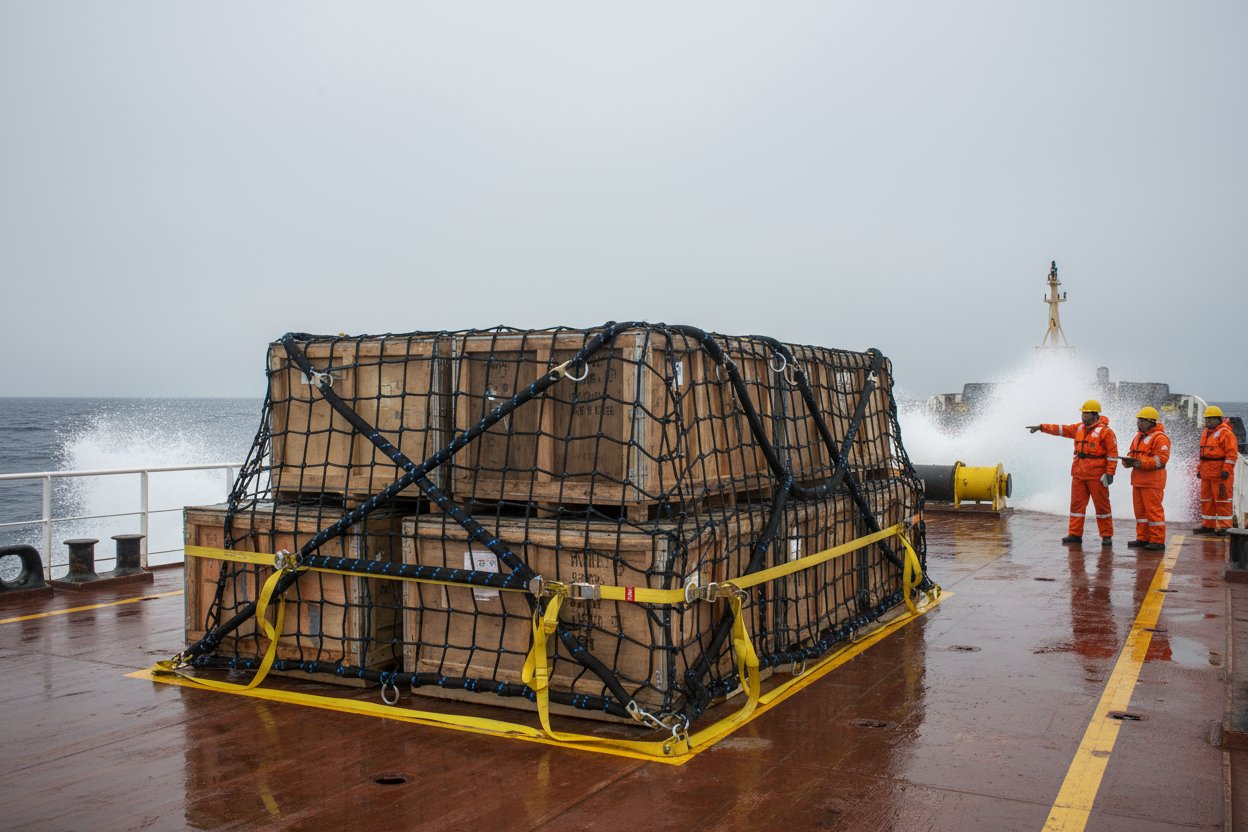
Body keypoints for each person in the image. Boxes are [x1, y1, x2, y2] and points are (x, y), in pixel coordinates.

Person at [1027, 399, 1118, 546]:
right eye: (1083, 414)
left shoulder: (1106, 432)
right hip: (1078, 473)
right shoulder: (1079, 428)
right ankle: (1075, 534)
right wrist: (1041, 427)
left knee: (1102, 506)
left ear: (1095, 415)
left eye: (1086, 414)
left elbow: (1112, 455)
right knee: (1076, 506)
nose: (1083, 416)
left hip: (1097, 475)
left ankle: (1106, 536)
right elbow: (1061, 429)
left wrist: (1110, 473)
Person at [1118, 406, 1169, 551]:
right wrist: (1127, 462)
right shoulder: (1138, 437)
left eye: (1142, 420)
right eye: (1138, 420)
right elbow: (1132, 453)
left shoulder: (1160, 438)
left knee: (1153, 511)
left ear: (1151, 422)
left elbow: (1162, 459)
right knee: (1140, 513)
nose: (1138, 423)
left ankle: (1158, 541)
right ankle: (1142, 538)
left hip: (1152, 482)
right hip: (1138, 480)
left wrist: (1141, 463)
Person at [1194, 405, 1238, 536]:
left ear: (1218, 419)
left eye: (1210, 419)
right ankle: (1208, 525)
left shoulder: (1226, 433)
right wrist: (1199, 469)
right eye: (1206, 419)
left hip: (1220, 475)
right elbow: (1203, 454)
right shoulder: (1206, 433)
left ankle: (1225, 527)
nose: (1207, 421)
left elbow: (1231, 454)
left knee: (1222, 501)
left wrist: (1226, 470)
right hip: (1207, 473)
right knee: (1206, 501)